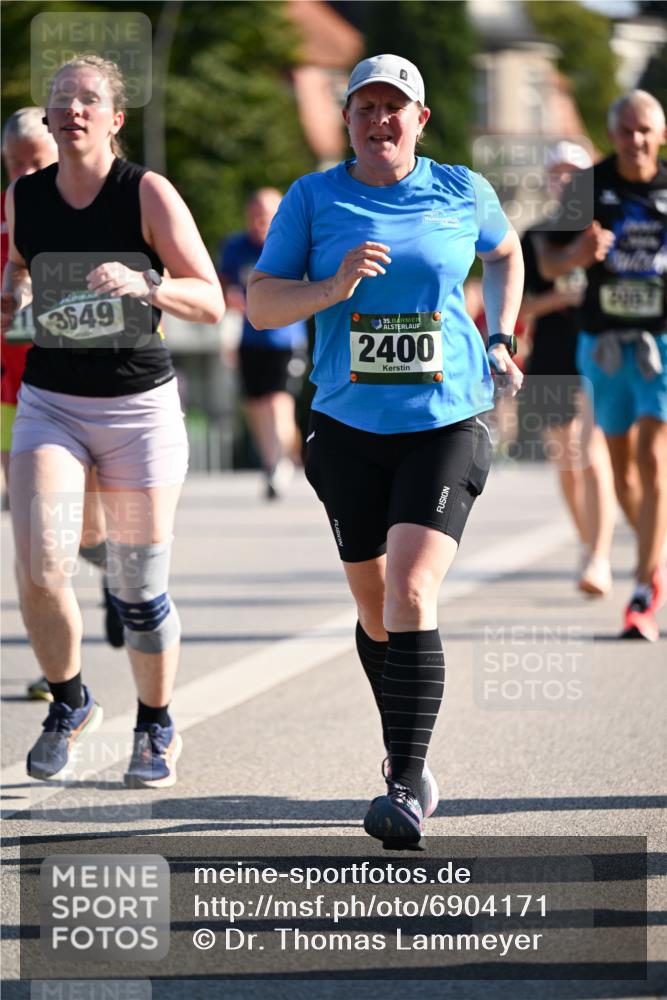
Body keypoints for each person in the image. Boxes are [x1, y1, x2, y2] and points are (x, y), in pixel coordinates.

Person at [247, 54, 524, 849]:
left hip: (445, 420)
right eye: (364, 107)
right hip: (346, 430)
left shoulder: (461, 190)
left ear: (419, 120)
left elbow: (505, 253)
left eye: (393, 107)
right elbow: (261, 305)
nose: (379, 120)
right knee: (375, 612)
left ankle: (403, 783)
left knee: (408, 590)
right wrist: (330, 289)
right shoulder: (312, 199)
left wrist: (500, 335)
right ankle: (404, 746)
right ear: (346, 119)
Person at [1, 54, 223, 785]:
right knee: (40, 565)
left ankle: (156, 724)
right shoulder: (24, 195)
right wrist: (13, 293)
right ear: (49, 115)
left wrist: (147, 282)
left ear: (114, 118)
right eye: (61, 97)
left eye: (88, 99)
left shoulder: (146, 192)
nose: (73, 108)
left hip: (137, 411)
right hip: (53, 403)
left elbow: (210, 298)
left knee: (135, 587)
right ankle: (69, 702)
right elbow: (21, 266)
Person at [2, 109, 125, 705]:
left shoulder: (88, 209)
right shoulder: (11, 213)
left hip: (81, 390)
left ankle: (120, 577)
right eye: (15, 163)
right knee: (37, 534)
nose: (26, 172)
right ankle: (57, 668)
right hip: (13, 394)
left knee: (84, 528)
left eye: (36, 160)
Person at [537, 91, 666, 641]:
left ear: (660, 134)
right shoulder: (588, 187)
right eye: (626, 130)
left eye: (645, 130)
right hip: (602, 344)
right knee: (621, 469)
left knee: (653, 457)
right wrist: (577, 255)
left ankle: (642, 594)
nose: (636, 139)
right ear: (612, 135)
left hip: (660, 342)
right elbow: (548, 260)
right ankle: (654, 557)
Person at [519, 141, 616, 596]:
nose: (565, 181)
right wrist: (562, 296)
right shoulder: (536, 236)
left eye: (573, 173)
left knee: (590, 451)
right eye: (557, 173)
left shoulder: (606, 231)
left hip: (599, 354)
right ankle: (587, 543)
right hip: (551, 357)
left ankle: (599, 557)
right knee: (567, 461)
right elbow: (520, 306)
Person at [219, 188, 308, 499]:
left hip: (285, 339)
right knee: (256, 405)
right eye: (255, 214)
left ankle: (277, 464)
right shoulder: (235, 246)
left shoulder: (292, 242)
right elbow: (223, 283)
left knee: (278, 401)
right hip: (249, 338)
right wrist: (228, 296)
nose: (260, 220)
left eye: (266, 214)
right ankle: (275, 459)